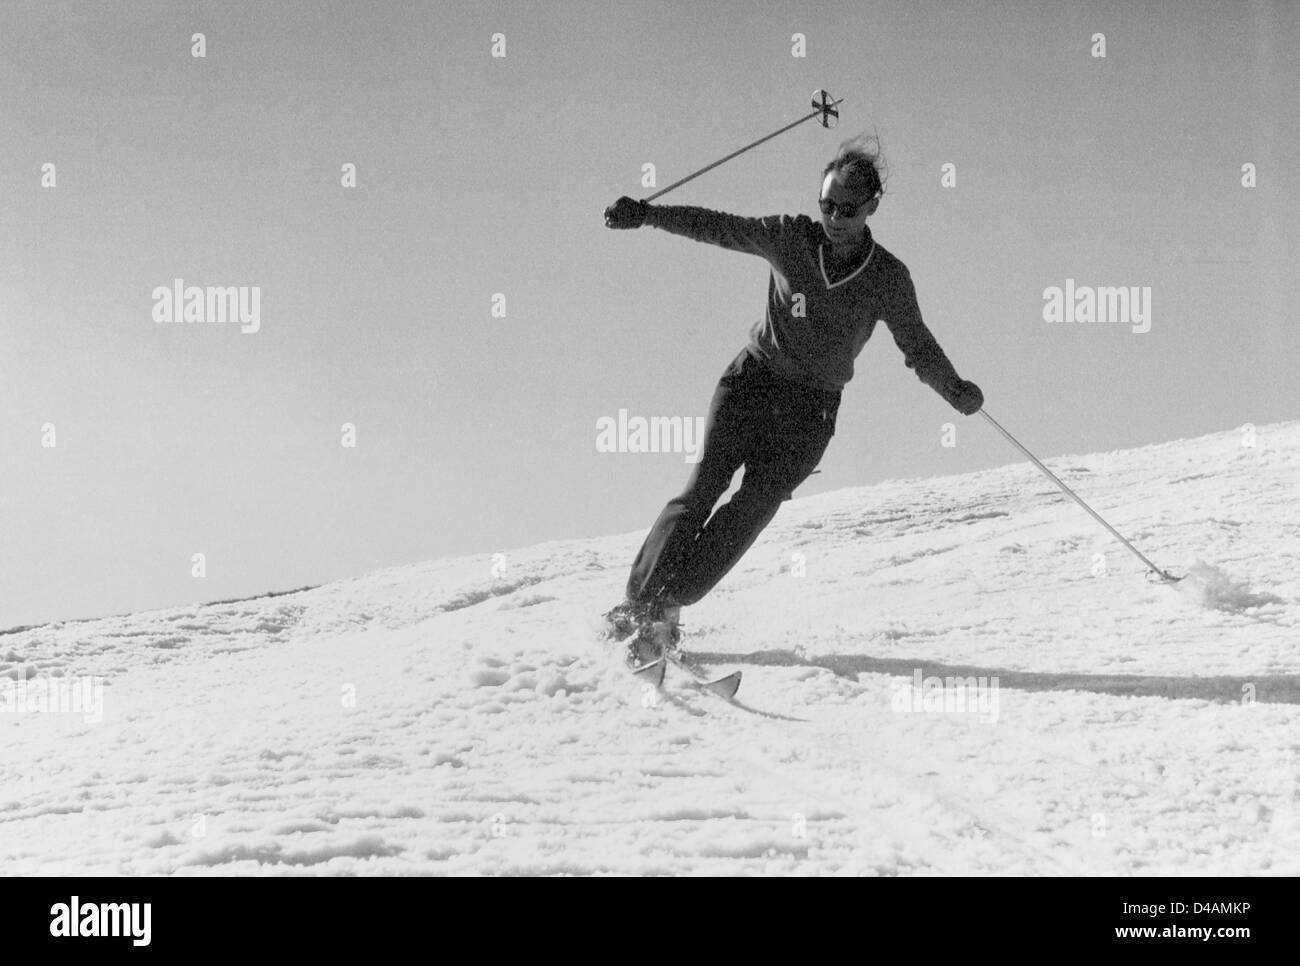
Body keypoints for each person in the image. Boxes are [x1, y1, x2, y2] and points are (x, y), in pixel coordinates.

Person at [601, 133, 983, 664]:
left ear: (872, 206)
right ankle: (638, 608)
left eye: (848, 208)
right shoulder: (789, 238)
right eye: (826, 204)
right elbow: (717, 227)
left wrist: (954, 389)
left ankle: (669, 599)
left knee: (754, 506)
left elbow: (917, 345)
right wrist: (646, 214)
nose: (834, 217)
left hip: (810, 412)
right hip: (753, 383)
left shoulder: (888, 279)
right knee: (704, 484)